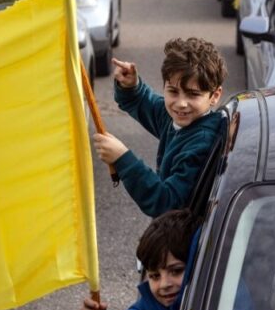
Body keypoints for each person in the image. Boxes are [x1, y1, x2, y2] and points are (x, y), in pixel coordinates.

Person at [92, 37, 227, 217]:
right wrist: (132, 86)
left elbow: (165, 204)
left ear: (215, 96)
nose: (181, 104)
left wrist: (122, 158)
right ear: (164, 87)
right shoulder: (179, 118)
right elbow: (144, 103)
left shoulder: (201, 144)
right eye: (173, 91)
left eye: (193, 94)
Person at [77, 209, 199, 310]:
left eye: (176, 271)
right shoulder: (152, 304)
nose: (164, 284)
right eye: (155, 276)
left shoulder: (210, 304)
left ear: (197, 263)